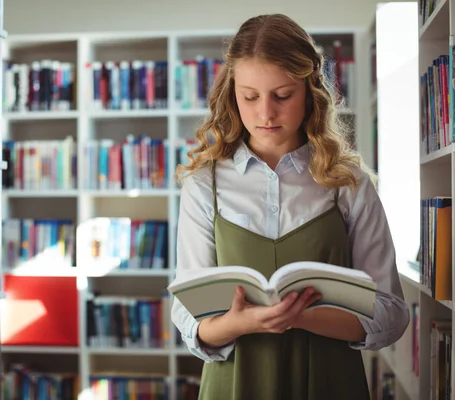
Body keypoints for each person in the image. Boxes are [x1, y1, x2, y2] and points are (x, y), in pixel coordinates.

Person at [170, 13, 410, 400]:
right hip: (234, 385)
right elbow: (188, 320)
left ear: (310, 90)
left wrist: (301, 317)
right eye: (249, 96)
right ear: (232, 94)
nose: (265, 113)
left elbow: (390, 313)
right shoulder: (204, 186)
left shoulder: (347, 184)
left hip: (330, 384)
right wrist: (236, 322)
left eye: (282, 95)